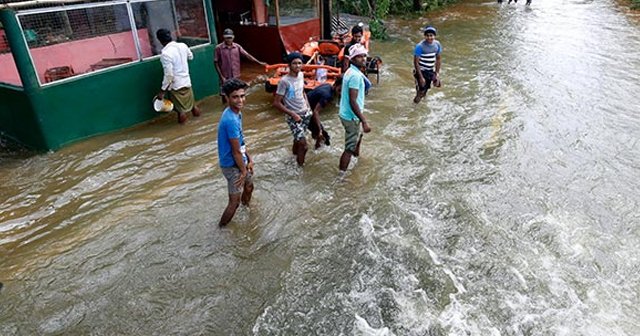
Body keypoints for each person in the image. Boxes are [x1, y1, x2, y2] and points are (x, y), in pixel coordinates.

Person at [217, 78, 254, 227]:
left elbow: (241, 142)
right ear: (227, 98)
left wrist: (249, 159)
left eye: (242, 96)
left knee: (250, 186)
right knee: (234, 202)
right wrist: (243, 171)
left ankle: (247, 209)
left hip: (241, 162)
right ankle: (221, 229)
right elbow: (235, 151)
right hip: (233, 166)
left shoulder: (236, 113)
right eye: (235, 97)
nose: (240, 100)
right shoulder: (230, 120)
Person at [273, 52, 313, 166]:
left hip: (305, 112)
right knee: (304, 145)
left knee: (298, 140)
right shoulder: (284, 81)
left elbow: (302, 91)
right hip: (293, 116)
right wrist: (292, 114)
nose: (297, 66)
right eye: (294, 63)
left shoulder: (301, 75)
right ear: (289, 65)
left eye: (300, 63)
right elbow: (276, 103)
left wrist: (308, 106)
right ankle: (300, 168)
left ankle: (293, 157)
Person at [155, 28, 201, 124]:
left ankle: (183, 129)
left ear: (159, 40)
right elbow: (191, 57)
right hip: (187, 81)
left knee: (181, 111)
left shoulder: (165, 54)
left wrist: (162, 91)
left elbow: (169, 75)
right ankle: (200, 121)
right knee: (193, 105)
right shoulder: (182, 45)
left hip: (176, 85)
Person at [339, 44, 371, 172]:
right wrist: (364, 121)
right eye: (359, 56)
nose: (363, 59)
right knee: (349, 148)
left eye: (364, 55)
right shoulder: (355, 76)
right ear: (352, 59)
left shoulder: (350, 71)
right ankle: (341, 175)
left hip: (347, 113)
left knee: (358, 138)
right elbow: (353, 101)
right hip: (351, 116)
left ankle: (356, 158)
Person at [306, 76, 343, 149]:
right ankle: (316, 153)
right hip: (306, 112)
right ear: (335, 85)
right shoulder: (327, 95)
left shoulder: (328, 85)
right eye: (340, 90)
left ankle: (315, 145)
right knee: (325, 138)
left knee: (318, 134)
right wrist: (319, 130)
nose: (341, 93)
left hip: (305, 108)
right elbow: (315, 112)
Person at [413, 25, 442, 104]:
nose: (429, 37)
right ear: (425, 36)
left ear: (434, 36)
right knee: (420, 92)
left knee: (437, 84)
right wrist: (421, 77)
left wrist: (437, 73)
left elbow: (438, 59)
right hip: (421, 71)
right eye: (427, 36)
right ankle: (414, 107)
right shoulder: (420, 46)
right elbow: (416, 62)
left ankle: (423, 105)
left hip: (430, 70)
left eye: (431, 35)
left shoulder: (437, 45)